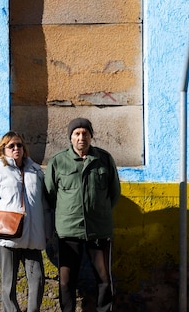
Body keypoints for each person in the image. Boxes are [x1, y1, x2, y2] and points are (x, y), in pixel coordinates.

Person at [45, 118, 121, 312]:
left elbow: (114, 193)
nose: (81, 138)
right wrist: (69, 212)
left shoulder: (104, 159)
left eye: (85, 133)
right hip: (69, 230)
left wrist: (98, 211)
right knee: (66, 280)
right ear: (70, 137)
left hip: (99, 230)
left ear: (91, 136)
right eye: (77, 134)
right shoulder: (58, 161)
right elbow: (51, 194)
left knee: (104, 278)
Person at [0, 131, 50, 312]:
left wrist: (47, 231)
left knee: (38, 279)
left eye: (19, 145)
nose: (16, 148)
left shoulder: (36, 171)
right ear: (3, 150)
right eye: (11, 146)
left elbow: (46, 205)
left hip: (33, 237)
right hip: (6, 237)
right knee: (8, 284)